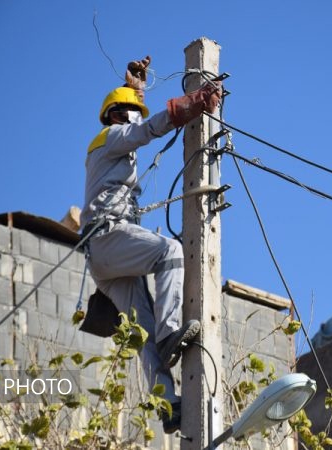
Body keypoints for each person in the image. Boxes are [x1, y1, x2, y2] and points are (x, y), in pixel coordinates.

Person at [80, 56, 222, 433]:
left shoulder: (115, 149)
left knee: (141, 331)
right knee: (170, 252)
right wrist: (191, 106)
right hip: (108, 237)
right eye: (130, 111)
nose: (135, 117)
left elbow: (138, 128)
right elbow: (142, 131)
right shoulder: (108, 139)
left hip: (106, 258)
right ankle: (170, 329)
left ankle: (167, 402)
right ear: (114, 115)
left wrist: (138, 88)